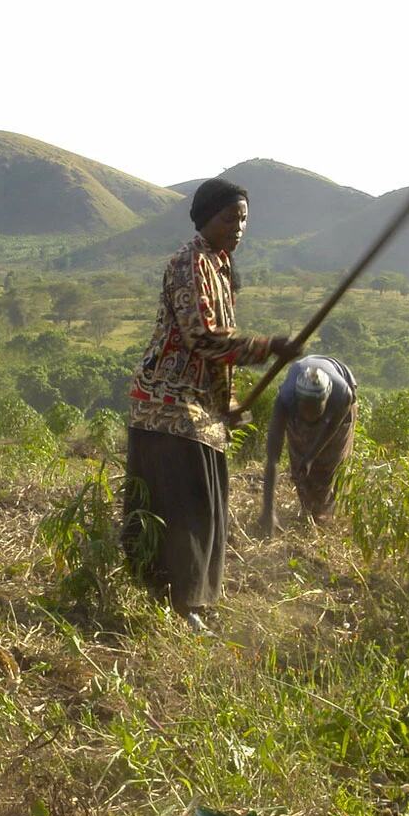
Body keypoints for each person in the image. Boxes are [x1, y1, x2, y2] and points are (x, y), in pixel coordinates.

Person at [124, 178, 289, 633]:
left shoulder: (221, 267)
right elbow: (202, 338)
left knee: (209, 508)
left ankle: (189, 601)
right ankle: (179, 604)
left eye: (243, 220)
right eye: (229, 218)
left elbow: (218, 355)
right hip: (168, 408)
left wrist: (230, 403)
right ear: (205, 219)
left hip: (200, 411)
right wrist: (268, 346)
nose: (238, 227)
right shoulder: (188, 263)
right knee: (186, 509)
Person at [257, 355, 358, 536]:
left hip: (340, 406)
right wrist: (268, 510)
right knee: (299, 464)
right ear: (298, 401)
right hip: (299, 405)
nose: (310, 414)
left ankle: (324, 520)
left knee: (330, 464)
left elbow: (331, 429)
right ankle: (308, 511)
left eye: (315, 408)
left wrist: (311, 456)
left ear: (326, 399)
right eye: (306, 407)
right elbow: (273, 458)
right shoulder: (285, 400)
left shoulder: (342, 396)